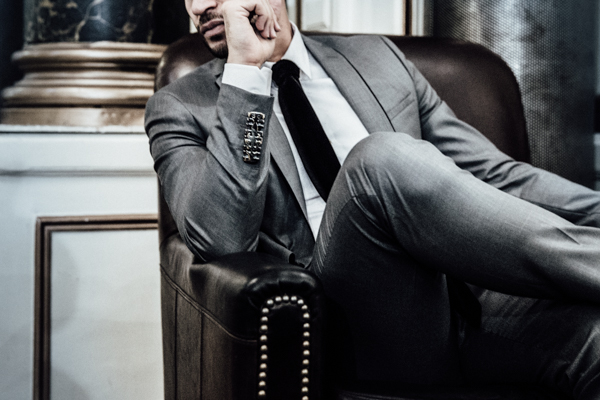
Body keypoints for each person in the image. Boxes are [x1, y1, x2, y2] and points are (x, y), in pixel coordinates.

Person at [145, 0, 600, 397]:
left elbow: (496, 175)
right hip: (354, 323)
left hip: (471, 296)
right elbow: (220, 239)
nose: (197, 6)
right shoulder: (180, 106)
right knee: (376, 162)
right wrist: (246, 74)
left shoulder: (376, 57)